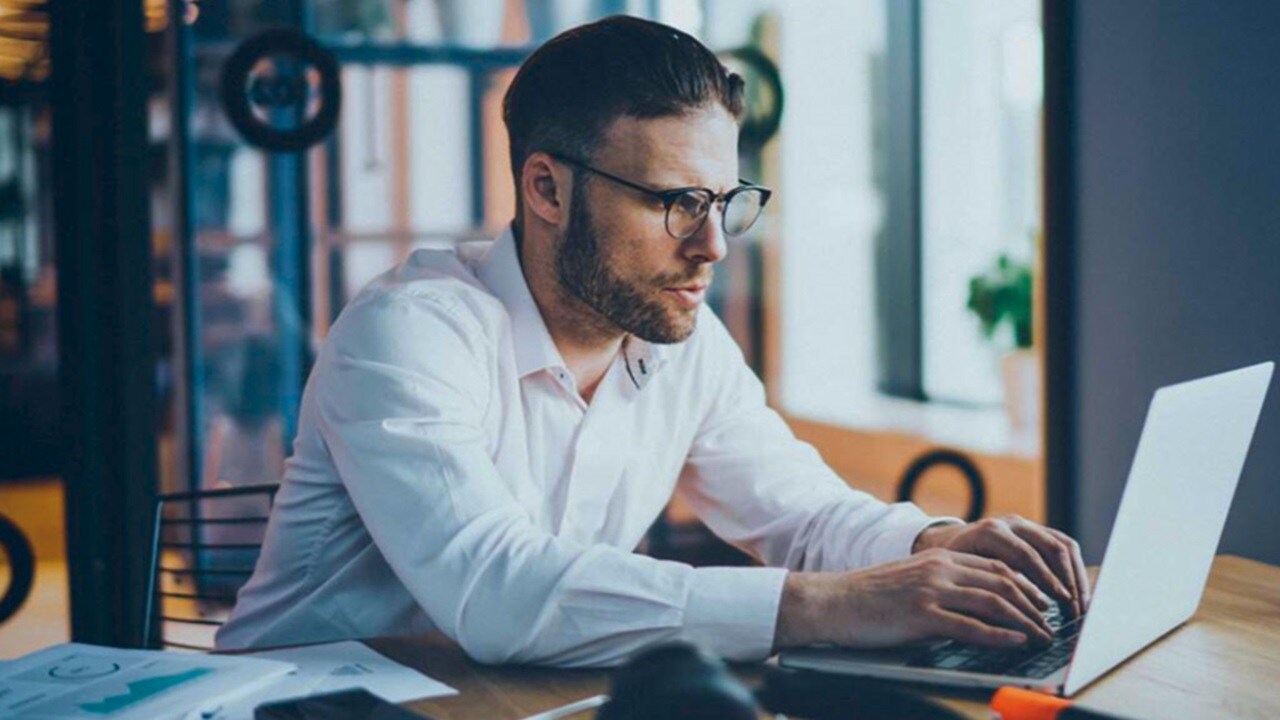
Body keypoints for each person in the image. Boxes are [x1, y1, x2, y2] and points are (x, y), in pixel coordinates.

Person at [217, 15, 1088, 666]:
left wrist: (934, 546)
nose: (712, 246)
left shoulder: (679, 340)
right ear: (548, 188)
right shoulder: (408, 334)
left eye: (723, 202)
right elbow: (496, 594)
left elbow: (803, 514)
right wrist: (837, 605)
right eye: (676, 202)